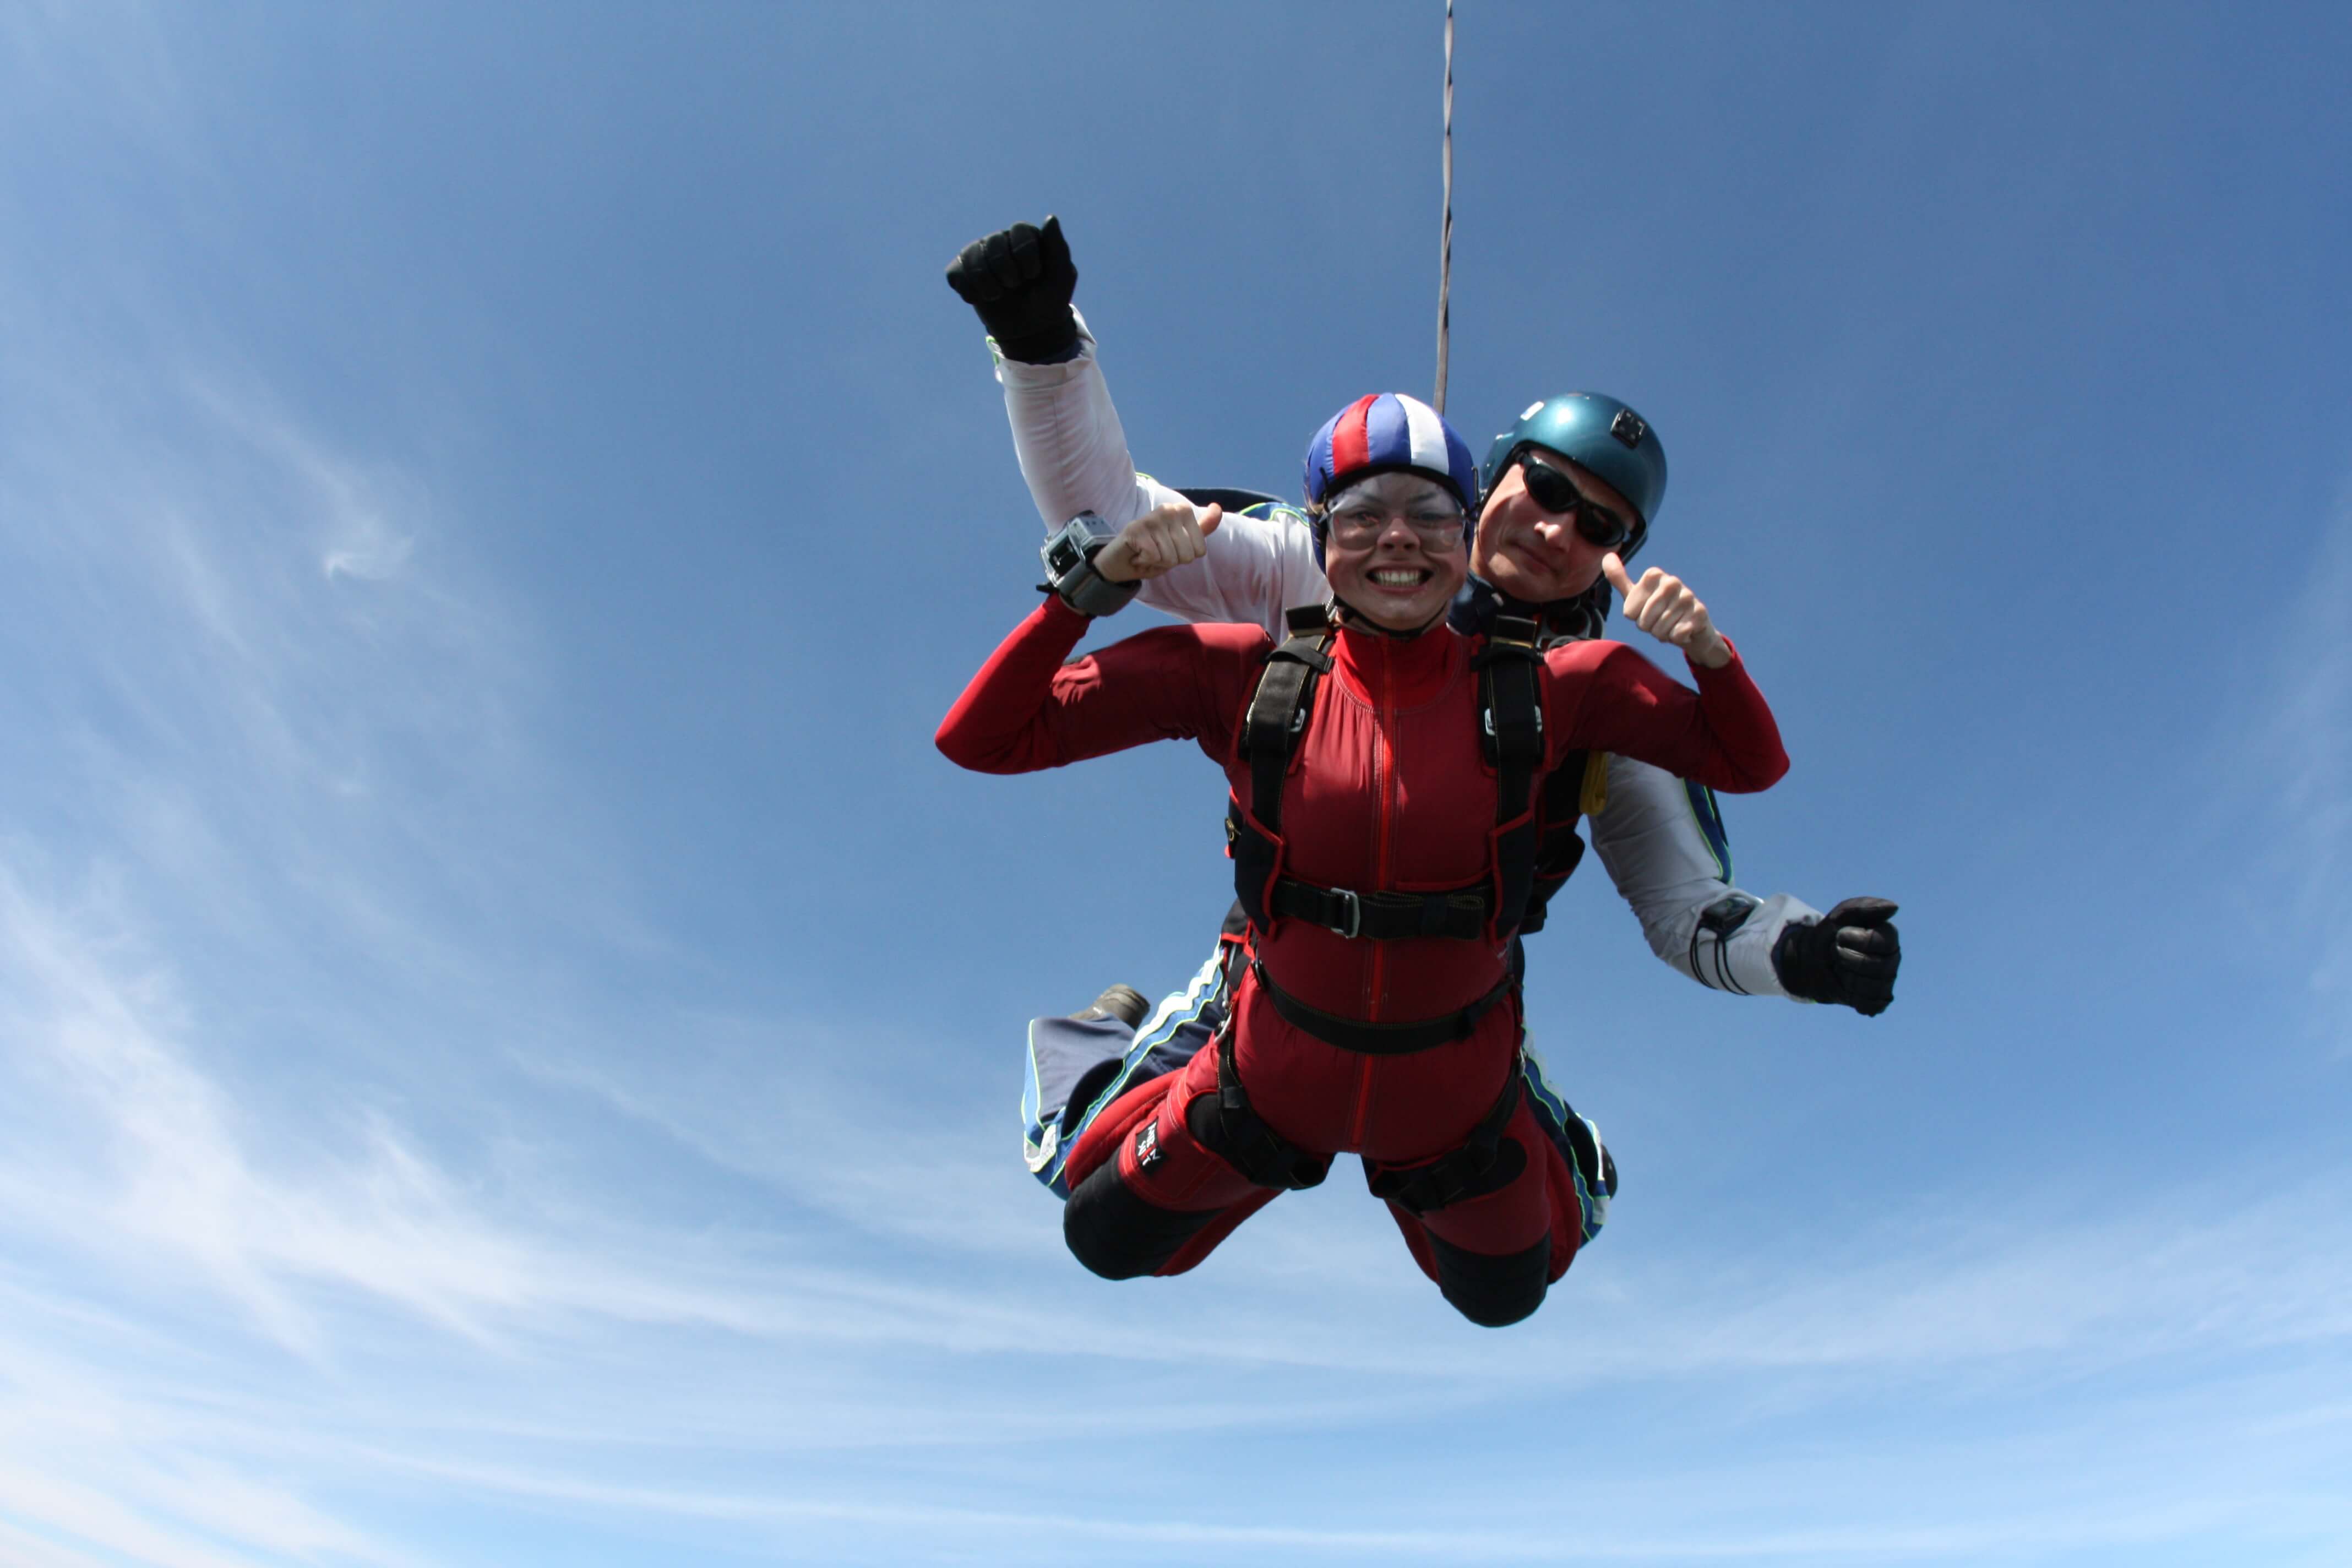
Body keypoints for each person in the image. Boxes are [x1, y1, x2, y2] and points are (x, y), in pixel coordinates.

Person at [944, 217, 1900, 1214]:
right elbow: (1110, 520)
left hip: (1458, 998)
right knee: (1086, 1186)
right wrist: (1042, 342)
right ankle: (1090, 1044)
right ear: (1494, 478)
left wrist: (1806, 954)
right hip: (1278, 968)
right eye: (1546, 487)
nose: (1558, 529)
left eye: (1599, 526)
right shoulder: (1322, 562)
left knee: (1520, 1263)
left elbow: (1691, 906)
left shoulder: (1605, 700)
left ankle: (1559, 1153)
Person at [937, 389, 1788, 1326]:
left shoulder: (1570, 688)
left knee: (1508, 1294)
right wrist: (1087, 589)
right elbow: (988, 735)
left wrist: (1707, 652)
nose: (1400, 542)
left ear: (1462, 534)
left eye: (1429, 519)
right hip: (1273, 1024)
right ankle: (1091, 1042)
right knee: (1101, 1229)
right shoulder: (1250, 668)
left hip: (1459, 1036)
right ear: (1315, 534)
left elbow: (1744, 772)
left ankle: (1562, 1160)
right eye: (1365, 519)